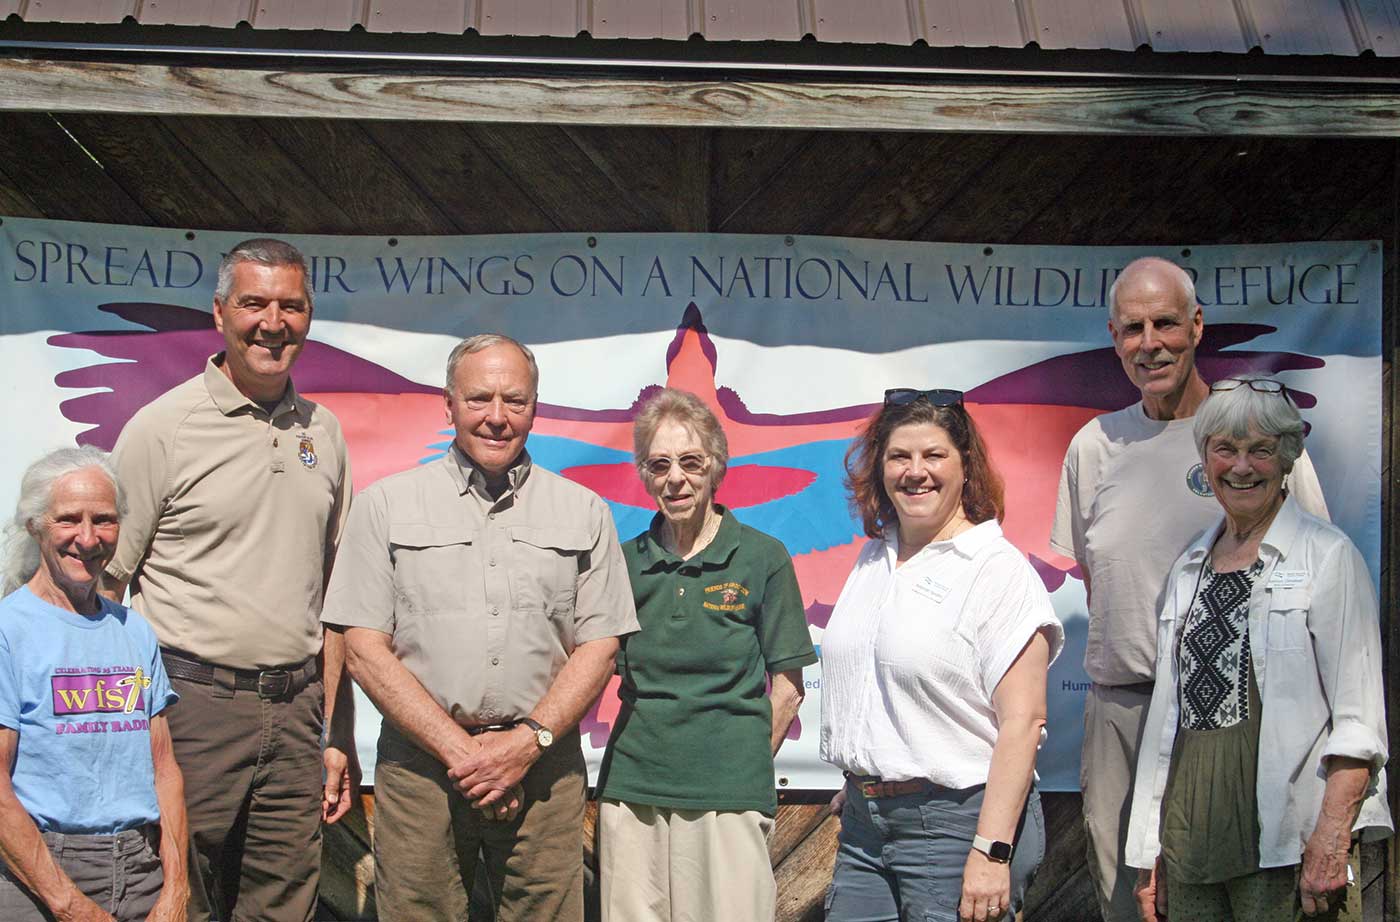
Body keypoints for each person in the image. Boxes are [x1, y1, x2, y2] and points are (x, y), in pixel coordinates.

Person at [323, 333, 639, 922]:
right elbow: (363, 649)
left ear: (535, 406)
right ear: (448, 404)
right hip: (421, 771)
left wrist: (526, 743)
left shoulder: (583, 511)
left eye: (514, 400)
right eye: (479, 399)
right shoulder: (386, 506)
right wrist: (462, 751)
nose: (497, 417)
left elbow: (601, 646)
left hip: (542, 768)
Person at [1051, 257, 1330, 922]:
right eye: (1133, 328)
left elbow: (1316, 571)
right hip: (1124, 708)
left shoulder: (1253, 440)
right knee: (1128, 905)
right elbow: (1102, 579)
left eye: (1166, 323)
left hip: (1234, 720)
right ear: (1114, 337)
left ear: (1197, 326)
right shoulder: (1094, 446)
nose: (1151, 343)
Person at [102, 238, 357, 922]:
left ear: (308, 317)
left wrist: (336, 732)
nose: (272, 322)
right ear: (220, 314)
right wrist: (119, 726)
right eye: (254, 303)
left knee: (282, 908)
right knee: (165, 898)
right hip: (189, 707)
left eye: (291, 306)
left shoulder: (325, 433)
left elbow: (339, 599)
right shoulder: (162, 430)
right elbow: (103, 592)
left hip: (299, 712)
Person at [1125, 376, 1391, 921]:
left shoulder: (1327, 556)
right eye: (1225, 449)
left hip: (1288, 843)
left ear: (1287, 458)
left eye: (1260, 451)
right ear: (1206, 458)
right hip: (1190, 842)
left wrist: (1332, 837)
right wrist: (1152, 851)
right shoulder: (1188, 568)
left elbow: (1359, 719)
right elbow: (1165, 728)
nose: (1241, 467)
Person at [821, 388, 1063, 922]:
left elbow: (1023, 722)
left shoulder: (995, 569)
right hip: (866, 825)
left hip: (958, 825)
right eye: (899, 456)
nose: (916, 472)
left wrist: (991, 851)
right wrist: (863, 772)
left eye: (934, 455)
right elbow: (874, 682)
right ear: (879, 467)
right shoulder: (873, 558)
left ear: (965, 466)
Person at [595, 388, 817, 921]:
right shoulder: (622, 564)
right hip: (634, 787)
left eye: (691, 462)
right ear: (645, 476)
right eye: (659, 464)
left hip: (730, 794)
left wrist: (740, 761)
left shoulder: (763, 557)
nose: (676, 478)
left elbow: (788, 687)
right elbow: (592, 664)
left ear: (716, 468)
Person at [0, 447, 186, 922]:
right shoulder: (9, 631)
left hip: (142, 871)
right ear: (34, 525)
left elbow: (163, 767)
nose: (88, 538)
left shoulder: (133, 631)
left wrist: (177, 890)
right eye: (68, 520)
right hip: (40, 874)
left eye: (103, 519)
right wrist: (68, 904)